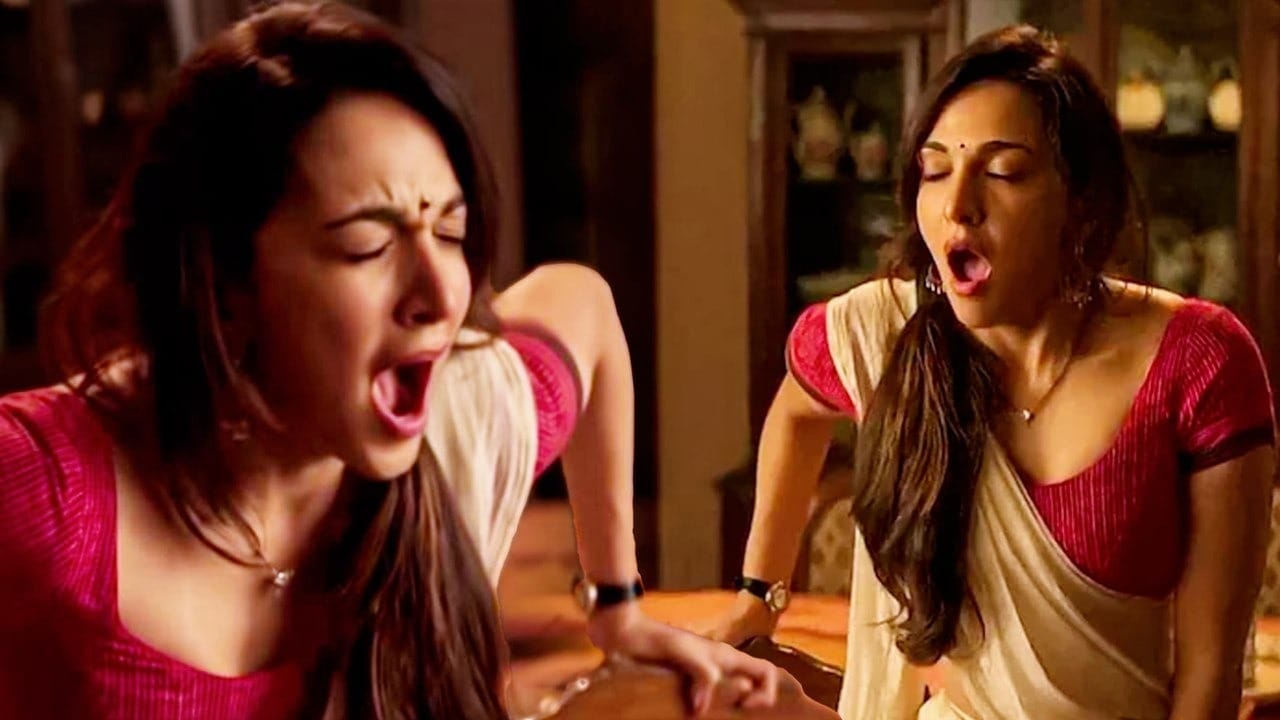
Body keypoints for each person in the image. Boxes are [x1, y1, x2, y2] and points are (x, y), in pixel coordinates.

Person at [0, 4, 838, 719]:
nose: (442, 297)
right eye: (366, 246)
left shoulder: (457, 417)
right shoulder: (32, 490)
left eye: (449, 230)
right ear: (220, 275)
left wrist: (618, 609)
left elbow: (580, 305)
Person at [703, 25, 1276, 720]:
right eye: (935, 170)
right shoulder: (886, 335)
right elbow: (795, 411)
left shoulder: (1200, 360)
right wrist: (758, 595)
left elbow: (1210, 680)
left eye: (1002, 172)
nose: (957, 205)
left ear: (1081, 199)